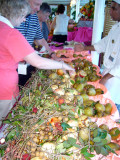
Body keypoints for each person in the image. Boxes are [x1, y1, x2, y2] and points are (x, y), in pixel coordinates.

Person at [0, 0, 74, 123]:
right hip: (4, 90)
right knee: (4, 122)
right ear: (15, 13)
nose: (24, 20)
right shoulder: (10, 33)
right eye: (23, 16)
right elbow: (37, 62)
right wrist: (63, 65)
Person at [74, 0, 120, 115]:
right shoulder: (116, 27)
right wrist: (84, 48)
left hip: (116, 80)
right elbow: (104, 44)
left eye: (114, 8)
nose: (110, 11)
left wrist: (105, 78)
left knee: (113, 112)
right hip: (109, 75)